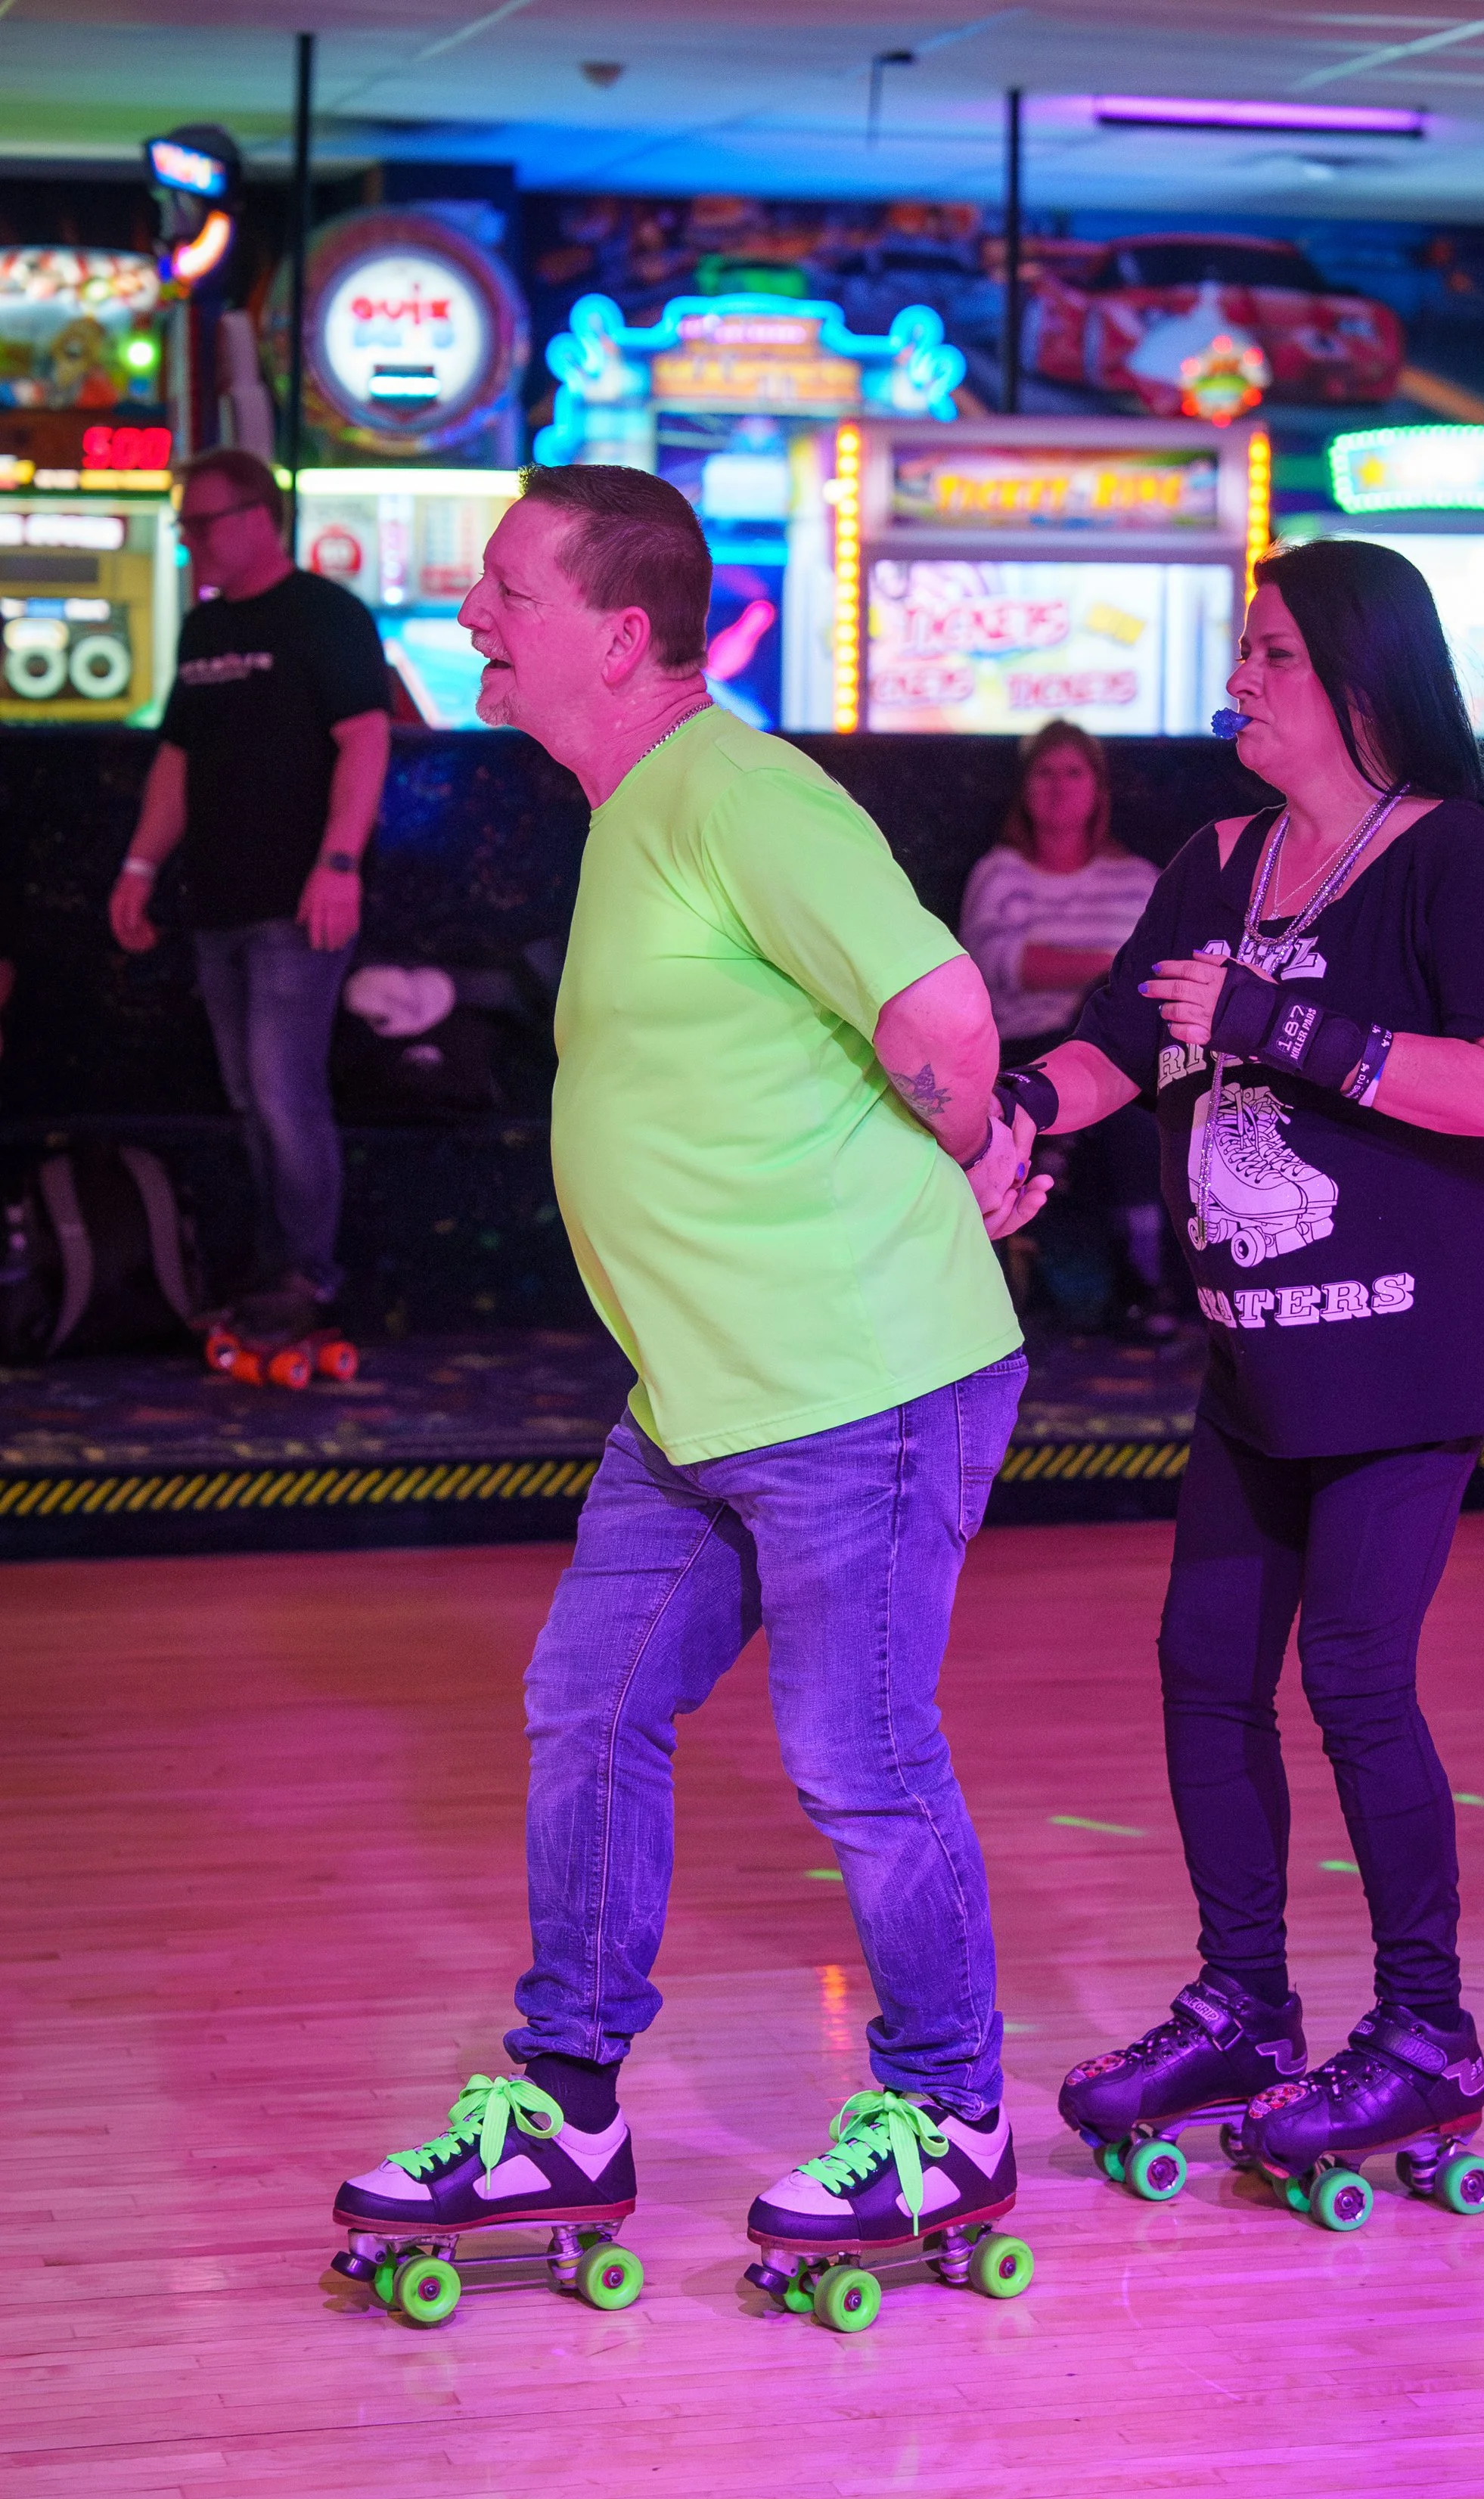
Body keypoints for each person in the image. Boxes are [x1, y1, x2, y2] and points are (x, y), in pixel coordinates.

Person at [330, 464, 1046, 2286]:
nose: (475, 616)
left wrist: (974, 1152)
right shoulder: (638, 806)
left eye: (504, 590)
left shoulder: (739, 789)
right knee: (587, 1705)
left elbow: (943, 1011)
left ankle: (951, 2123)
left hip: (855, 1382)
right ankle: (569, 2109)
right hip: (701, 1399)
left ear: (619, 631)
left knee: (863, 1764)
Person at [989, 539, 1484, 2210]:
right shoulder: (1216, 859)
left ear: (1355, 681)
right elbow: (1122, 1034)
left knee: (1354, 1675)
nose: (1236, 676)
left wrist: (1285, 1028)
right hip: (1259, 1359)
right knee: (1198, 1666)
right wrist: (1020, 1113)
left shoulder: (1447, 863)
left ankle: (1426, 2035)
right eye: (1241, 649)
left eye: (1268, 653)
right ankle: (1244, 2008)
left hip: (1414, 1355)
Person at [107, 448, 390, 1315]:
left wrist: (338, 864)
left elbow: (366, 739)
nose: (190, 542)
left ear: (257, 517)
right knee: (247, 1097)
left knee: (282, 1089)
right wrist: (139, 867)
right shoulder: (204, 630)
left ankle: (308, 1272)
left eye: (200, 523)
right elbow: (176, 761)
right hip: (216, 901)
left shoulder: (325, 614)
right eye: (185, 526)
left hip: (298, 902)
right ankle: (277, 1271)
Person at [958, 720, 1174, 1330]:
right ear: (1024, 789)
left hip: (1116, 1056)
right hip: (1019, 1048)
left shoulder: (1138, 879)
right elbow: (1000, 966)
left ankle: (1146, 1281)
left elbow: (1158, 978)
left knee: (1138, 1121)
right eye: (1044, 773)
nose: (1059, 788)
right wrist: (1109, 966)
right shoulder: (999, 874)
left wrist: (1087, 973)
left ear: (1099, 788)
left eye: (1073, 772)